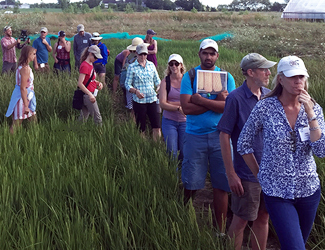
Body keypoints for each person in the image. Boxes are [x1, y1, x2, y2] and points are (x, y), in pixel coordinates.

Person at [237, 55, 325, 250]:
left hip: (309, 190)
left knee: (296, 244)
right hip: (277, 193)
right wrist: (260, 175)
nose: (298, 81)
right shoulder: (265, 107)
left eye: (302, 76)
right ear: (281, 79)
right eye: (293, 77)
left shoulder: (314, 109)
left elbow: (321, 150)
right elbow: (243, 143)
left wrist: (310, 114)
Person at [218, 53, 277, 250]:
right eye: (264, 69)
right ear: (250, 72)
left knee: (263, 217)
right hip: (246, 173)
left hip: (269, 172)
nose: (269, 72)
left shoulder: (270, 96)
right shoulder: (235, 98)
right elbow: (224, 134)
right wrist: (231, 174)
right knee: (241, 220)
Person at [180, 38, 236, 233]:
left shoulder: (226, 77)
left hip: (221, 137)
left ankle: (220, 231)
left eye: (212, 53)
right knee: (191, 183)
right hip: (194, 136)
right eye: (205, 53)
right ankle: (184, 222)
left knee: (222, 185)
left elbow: (228, 109)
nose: (209, 57)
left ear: (217, 56)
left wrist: (200, 100)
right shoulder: (190, 76)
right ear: (199, 54)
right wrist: (216, 102)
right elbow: (186, 108)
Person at [125, 43, 161, 141]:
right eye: (141, 54)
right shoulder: (132, 67)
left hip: (152, 99)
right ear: (136, 53)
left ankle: (156, 146)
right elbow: (127, 84)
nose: (143, 57)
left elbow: (157, 81)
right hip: (139, 101)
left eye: (145, 54)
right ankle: (143, 146)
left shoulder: (151, 65)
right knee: (141, 128)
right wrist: (135, 91)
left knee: (156, 126)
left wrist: (158, 87)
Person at [159, 54, 186, 163]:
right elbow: (162, 104)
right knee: (172, 151)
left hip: (185, 121)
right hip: (169, 121)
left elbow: (190, 101)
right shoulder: (165, 81)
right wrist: (179, 107)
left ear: (181, 65)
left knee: (185, 151)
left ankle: (183, 176)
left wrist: (170, 103)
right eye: (171, 64)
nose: (174, 66)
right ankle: (173, 177)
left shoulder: (187, 81)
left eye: (176, 64)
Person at [5, 46, 37, 134]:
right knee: (17, 123)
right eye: (33, 54)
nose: (35, 56)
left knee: (34, 120)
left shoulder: (23, 67)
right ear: (28, 55)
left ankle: (35, 137)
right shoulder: (25, 69)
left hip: (27, 98)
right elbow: (23, 88)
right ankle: (10, 142)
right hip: (22, 99)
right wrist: (26, 105)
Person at [77, 45, 104, 125]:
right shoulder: (85, 66)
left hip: (91, 93)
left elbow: (90, 79)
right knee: (97, 117)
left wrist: (98, 83)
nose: (96, 59)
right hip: (88, 95)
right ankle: (101, 135)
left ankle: (77, 132)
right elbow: (80, 83)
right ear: (90, 54)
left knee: (83, 118)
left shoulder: (91, 64)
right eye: (95, 57)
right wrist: (90, 95)